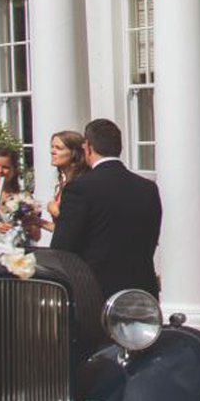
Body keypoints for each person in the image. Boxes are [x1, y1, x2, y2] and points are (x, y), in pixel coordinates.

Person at [50, 118, 161, 296]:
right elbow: (151, 240)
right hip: (140, 290)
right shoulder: (148, 188)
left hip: (96, 291)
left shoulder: (80, 189)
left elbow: (62, 248)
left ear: (88, 147)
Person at [0, 147, 36, 243]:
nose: (0, 171)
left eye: (6, 167)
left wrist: (21, 227)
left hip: (16, 249)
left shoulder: (24, 197)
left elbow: (36, 235)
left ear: (14, 170)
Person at [41, 129, 87, 232]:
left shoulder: (80, 183)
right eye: (52, 147)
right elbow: (61, 229)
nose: (52, 151)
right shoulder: (63, 182)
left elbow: (75, 224)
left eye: (59, 148)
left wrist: (53, 209)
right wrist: (37, 221)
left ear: (74, 153)